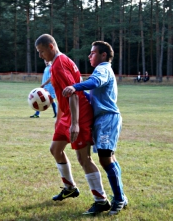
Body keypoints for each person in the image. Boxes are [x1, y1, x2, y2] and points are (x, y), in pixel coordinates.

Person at [35, 34, 110, 215]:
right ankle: (69, 187)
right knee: (55, 149)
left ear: (51, 47)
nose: (40, 55)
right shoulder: (58, 62)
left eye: (42, 51)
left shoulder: (59, 65)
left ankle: (101, 200)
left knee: (84, 159)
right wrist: (59, 119)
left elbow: (74, 94)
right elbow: (63, 94)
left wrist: (75, 123)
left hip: (79, 114)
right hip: (67, 114)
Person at [63, 41, 128, 216]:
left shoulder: (103, 69)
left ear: (103, 55)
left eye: (92, 53)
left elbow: (95, 82)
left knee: (106, 159)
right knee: (110, 158)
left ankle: (119, 199)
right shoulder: (102, 70)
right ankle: (120, 195)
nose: (89, 56)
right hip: (103, 120)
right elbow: (93, 88)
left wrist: (74, 87)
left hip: (107, 118)